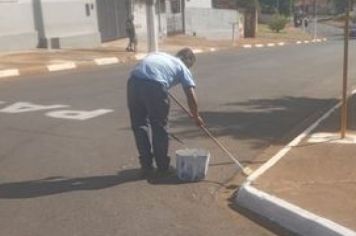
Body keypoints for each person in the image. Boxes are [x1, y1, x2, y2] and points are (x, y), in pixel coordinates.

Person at [127, 48, 204, 176]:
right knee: (159, 127)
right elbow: (190, 94)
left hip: (133, 82)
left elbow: (151, 69)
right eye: (190, 66)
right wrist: (196, 116)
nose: (189, 68)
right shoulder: (182, 66)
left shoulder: (160, 55)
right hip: (155, 85)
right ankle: (163, 167)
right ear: (187, 60)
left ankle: (146, 165)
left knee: (139, 126)